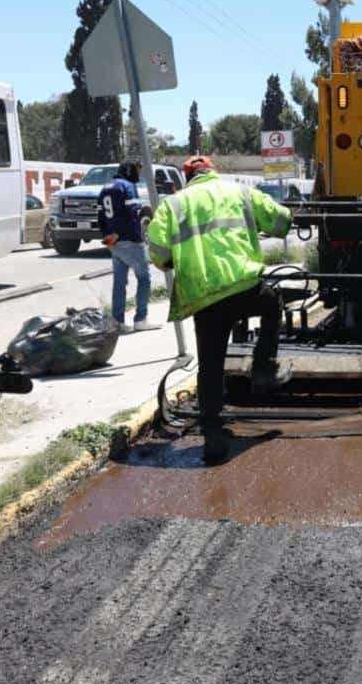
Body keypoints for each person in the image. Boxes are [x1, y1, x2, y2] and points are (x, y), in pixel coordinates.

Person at [146, 155, 294, 460]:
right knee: (271, 304)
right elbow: (280, 221)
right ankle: (264, 367)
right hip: (244, 287)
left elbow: (158, 253)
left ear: (188, 178)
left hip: (204, 298)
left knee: (210, 364)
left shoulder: (173, 205)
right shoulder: (238, 191)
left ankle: (213, 434)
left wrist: (172, 260)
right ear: (214, 172)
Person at [98, 161, 160, 333]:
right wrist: (123, 234)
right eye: (137, 170)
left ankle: (118, 322)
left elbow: (100, 216)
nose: (138, 175)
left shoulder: (105, 188)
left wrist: (108, 237)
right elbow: (133, 214)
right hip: (131, 240)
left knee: (119, 282)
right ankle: (141, 319)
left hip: (114, 243)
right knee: (144, 278)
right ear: (128, 170)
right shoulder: (128, 186)